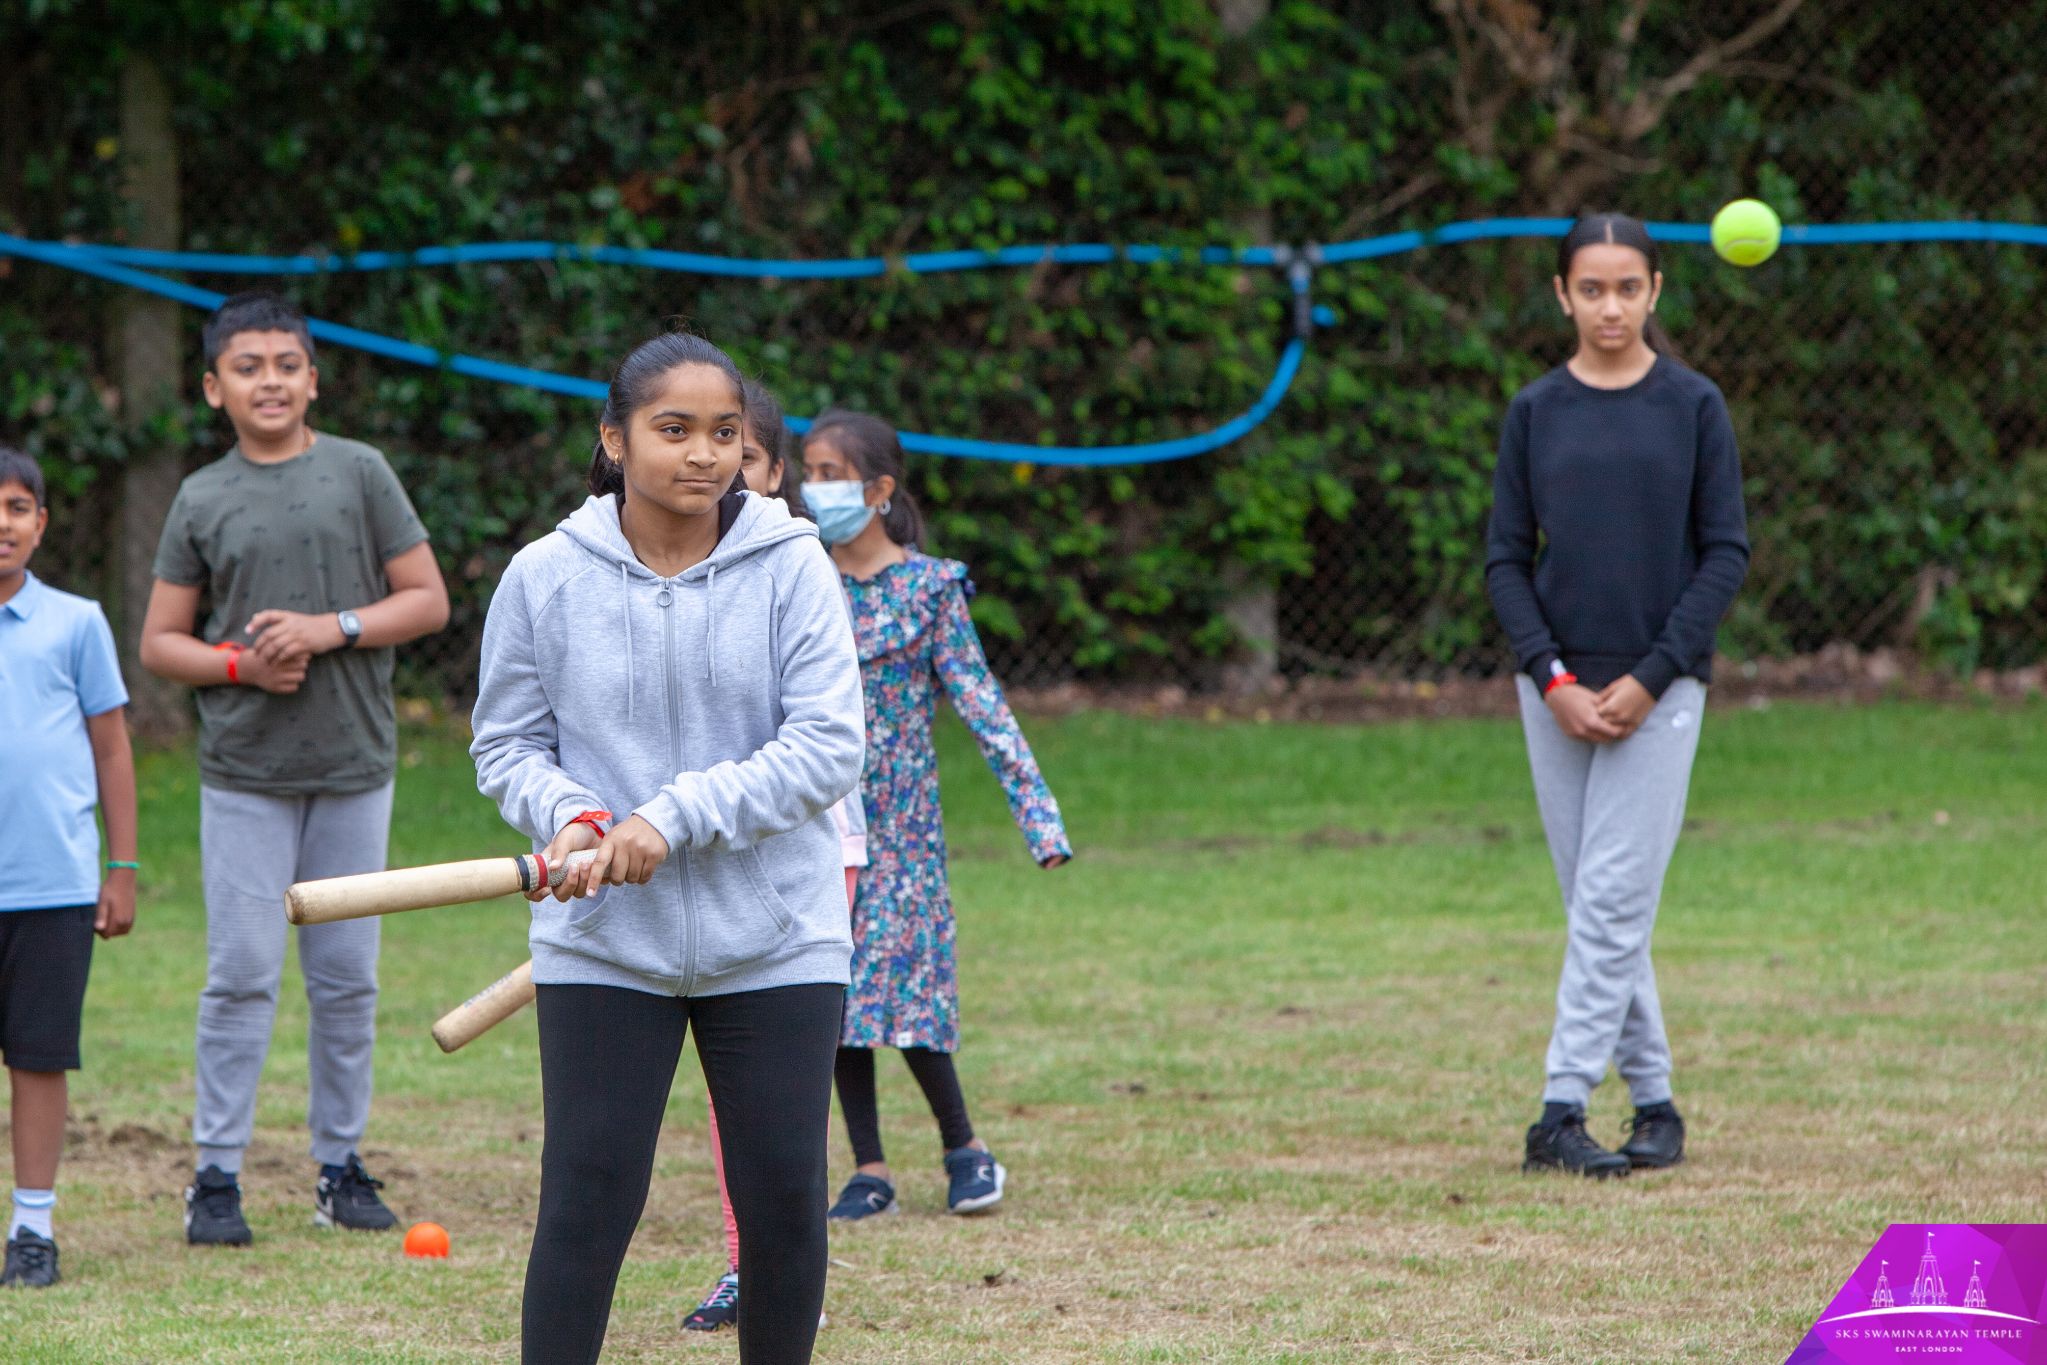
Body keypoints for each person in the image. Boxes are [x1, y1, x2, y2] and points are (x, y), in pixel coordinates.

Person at [471, 332, 863, 1364]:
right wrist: (575, 815)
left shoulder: (792, 569)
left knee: (783, 1194)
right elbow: (507, 744)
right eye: (673, 430)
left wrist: (671, 816)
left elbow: (827, 748)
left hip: (778, 932)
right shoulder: (544, 577)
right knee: (589, 1197)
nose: (702, 454)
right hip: (604, 940)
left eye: (724, 433)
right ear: (613, 439)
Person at [140, 291, 450, 1244]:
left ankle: (339, 1164)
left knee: (347, 976)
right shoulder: (201, 496)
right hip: (244, 774)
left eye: (285, 364)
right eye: (247, 367)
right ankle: (217, 1174)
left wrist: (332, 628)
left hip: (354, 766)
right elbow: (160, 642)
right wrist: (242, 665)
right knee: (240, 974)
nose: (268, 380)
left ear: (314, 377)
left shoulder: (361, 473)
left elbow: (426, 600)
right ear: (212, 389)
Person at [1483, 212, 1749, 1178]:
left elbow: (1724, 555)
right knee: (1600, 904)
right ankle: (1657, 1104)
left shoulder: (1692, 406)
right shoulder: (1533, 411)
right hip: (1554, 692)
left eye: (1626, 287)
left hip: (1662, 688)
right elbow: (1506, 561)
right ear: (1561, 294)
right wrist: (1552, 676)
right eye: (1589, 288)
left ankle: (1557, 1113)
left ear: (1654, 292)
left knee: (1607, 900)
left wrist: (1648, 676)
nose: (1608, 305)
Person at [797, 409, 1070, 1222]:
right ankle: (868, 1168)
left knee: (909, 993)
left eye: (828, 474)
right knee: (833, 992)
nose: (813, 491)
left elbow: (987, 711)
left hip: (905, 831)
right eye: (806, 472)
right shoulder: (799, 580)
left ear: (878, 490)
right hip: (817, 824)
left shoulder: (931, 589)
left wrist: (1040, 819)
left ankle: (965, 1149)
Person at [683, 377, 866, 1335]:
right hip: (677, 859)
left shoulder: (795, 566)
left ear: (770, 469)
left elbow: (827, 743)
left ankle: (773, 1260)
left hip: (804, 860)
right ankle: (740, 1261)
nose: (715, 469)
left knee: (771, 1096)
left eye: (741, 454)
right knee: (724, 1103)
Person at [0, 445, 138, 1288]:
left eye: (16, 506)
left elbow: (113, 750)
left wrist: (119, 866)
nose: (1, 523)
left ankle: (33, 1228)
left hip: (51, 883)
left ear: (41, 524)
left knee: (40, 1057)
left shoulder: (77, 622)